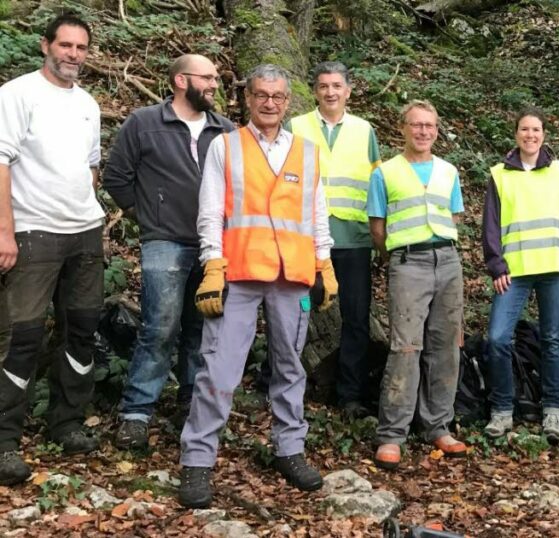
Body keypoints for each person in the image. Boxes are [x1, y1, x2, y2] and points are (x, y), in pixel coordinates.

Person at [177, 64, 337, 508]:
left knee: (290, 367)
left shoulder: (306, 152)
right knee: (219, 368)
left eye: (278, 96)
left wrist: (325, 262)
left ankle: (290, 449)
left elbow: (316, 213)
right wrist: (213, 265)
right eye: (261, 95)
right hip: (239, 274)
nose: (270, 102)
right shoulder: (225, 147)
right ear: (247, 99)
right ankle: (197, 460)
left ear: (288, 102)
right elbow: (210, 211)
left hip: (292, 276)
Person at [104, 54, 236, 450]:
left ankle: (193, 405)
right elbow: (116, 178)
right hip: (165, 241)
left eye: (216, 77)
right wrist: (150, 216)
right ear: (181, 80)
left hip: (215, 245)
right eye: (207, 77)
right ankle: (136, 413)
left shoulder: (225, 130)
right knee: (159, 327)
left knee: (204, 329)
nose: (215, 84)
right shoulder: (144, 123)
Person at [0, 14, 105, 485]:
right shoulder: (17, 94)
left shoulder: (87, 103)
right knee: (20, 336)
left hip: (84, 232)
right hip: (33, 232)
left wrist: (90, 212)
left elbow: (91, 168)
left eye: (81, 47)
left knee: (81, 329)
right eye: (65, 45)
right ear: (46, 45)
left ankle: (65, 422)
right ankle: (4, 441)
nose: (73, 54)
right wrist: (5, 230)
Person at [369, 100, 466, 469]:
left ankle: (438, 425)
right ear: (403, 129)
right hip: (408, 262)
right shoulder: (385, 173)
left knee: (445, 346)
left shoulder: (448, 171)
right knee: (405, 347)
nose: (423, 132)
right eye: (416, 125)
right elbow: (377, 227)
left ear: (436, 130)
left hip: (448, 261)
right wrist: (395, 256)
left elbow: (453, 215)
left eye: (429, 126)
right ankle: (392, 433)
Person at [481, 108, 559, 443]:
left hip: (553, 268)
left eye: (536, 130)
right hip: (514, 272)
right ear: (516, 134)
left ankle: (553, 410)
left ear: (544, 134)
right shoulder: (499, 174)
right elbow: (491, 225)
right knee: (497, 338)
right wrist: (496, 264)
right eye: (524, 129)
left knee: (552, 340)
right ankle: (502, 410)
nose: (530, 135)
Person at [286, 61, 382, 418]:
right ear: (314, 91)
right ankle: (281, 385)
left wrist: (379, 236)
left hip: (354, 242)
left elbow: (375, 186)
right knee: (299, 312)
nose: (330, 92)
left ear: (348, 90)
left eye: (337, 86)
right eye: (323, 86)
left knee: (355, 318)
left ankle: (350, 395)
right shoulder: (296, 126)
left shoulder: (363, 130)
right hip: (306, 240)